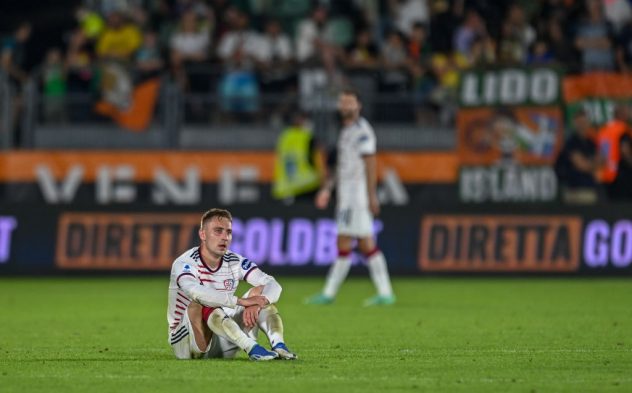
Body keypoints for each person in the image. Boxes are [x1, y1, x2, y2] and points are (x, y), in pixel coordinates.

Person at [167, 208, 297, 361]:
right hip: (187, 343)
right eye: (218, 231)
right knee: (201, 302)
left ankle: (279, 346)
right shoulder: (185, 263)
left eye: (228, 232)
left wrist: (258, 303)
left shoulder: (234, 261)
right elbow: (195, 292)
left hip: (223, 334)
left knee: (261, 293)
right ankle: (251, 347)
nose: (225, 237)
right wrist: (242, 302)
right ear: (203, 234)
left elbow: (273, 284)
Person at [305, 89, 395, 307]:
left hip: (357, 196)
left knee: (353, 242)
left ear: (359, 106)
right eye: (343, 102)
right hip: (346, 195)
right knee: (360, 243)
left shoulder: (363, 131)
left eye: (350, 102)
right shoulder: (345, 132)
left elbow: (370, 163)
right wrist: (327, 189)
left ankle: (331, 293)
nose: (346, 106)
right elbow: (341, 168)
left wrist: (372, 196)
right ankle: (382, 293)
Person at [272, 110, 325, 203]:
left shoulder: (285, 136)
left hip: (287, 186)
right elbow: (314, 159)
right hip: (307, 184)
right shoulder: (307, 136)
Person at [554, 109, 601, 204]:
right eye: (579, 122)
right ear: (575, 123)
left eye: (584, 122)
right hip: (575, 190)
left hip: (589, 189)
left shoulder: (591, 142)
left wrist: (591, 163)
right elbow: (582, 165)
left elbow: (600, 162)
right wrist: (591, 164)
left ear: (588, 123)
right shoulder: (571, 142)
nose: (582, 125)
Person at [596, 103, 632, 199]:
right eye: (628, 110)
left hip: (608, 176)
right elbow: (625, 151)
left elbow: (602, 154)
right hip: (623, 175)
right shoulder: (623, 130)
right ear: (621, 113)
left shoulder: (605, 130)